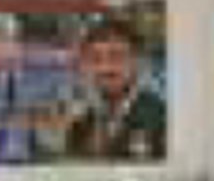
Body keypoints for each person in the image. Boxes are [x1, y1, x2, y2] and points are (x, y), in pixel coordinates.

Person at [59, 16, 170, 160]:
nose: (106, 68)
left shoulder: (162, 119)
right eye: (96, 59)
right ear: (86, 66)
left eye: (116, 57)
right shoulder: (80, 127)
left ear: (138, 61)